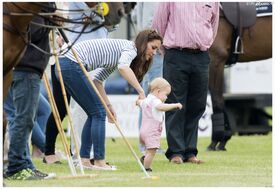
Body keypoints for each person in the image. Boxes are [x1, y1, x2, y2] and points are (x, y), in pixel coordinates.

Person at [56, 29, 162, 170]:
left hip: (65, 65)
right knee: (98, 113)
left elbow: (97, 81)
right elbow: (123, 67)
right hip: (70, 63)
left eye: (157, 49)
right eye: (153, 47)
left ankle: (85, 161)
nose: (154, 52)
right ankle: (100, 161)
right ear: (143, 43)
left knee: (94, 112)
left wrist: (108, 105)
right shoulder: (130, 48)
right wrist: (141, 91)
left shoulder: (117, 55)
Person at [152, 2, 219, 164]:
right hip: (176, 54)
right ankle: (176, 152)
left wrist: (205, 44)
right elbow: (158, 26)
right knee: (175, 104)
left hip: (201, 56)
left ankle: (190, 153)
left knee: (197, 105)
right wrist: (166, 52)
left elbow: (213, 26)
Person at [44, 2, 109, 164]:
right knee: (63, 108)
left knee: (90, 109)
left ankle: (87, 155)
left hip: (96, 55)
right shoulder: (70, 4)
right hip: (69, 57)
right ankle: (61, 153)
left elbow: (110, 19)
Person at [5, 3, 56, 180]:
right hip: (25, 68)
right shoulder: (30, 10)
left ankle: (25, 164)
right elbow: (29, 34)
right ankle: (16, 166)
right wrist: (49, 19)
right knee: (23, 118)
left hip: (28, 68)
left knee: (24, 118)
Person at [131, 2, 165, 154]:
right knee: (151, 99)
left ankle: (146, 143)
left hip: (149, 51)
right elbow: (150, 24)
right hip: (154, 53)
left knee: (148, 100)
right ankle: (148, 144)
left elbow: (134, 16)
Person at [136, 77, 182, 171]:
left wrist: (137, 102)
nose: (166, 97)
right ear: (158, 91)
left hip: (143, 132)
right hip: (151, 132)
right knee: (152, 152)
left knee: (148, 151)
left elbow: (139, 102)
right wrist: (175, 105)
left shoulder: (147, 100)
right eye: (166, 95)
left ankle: (144, 159)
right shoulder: (156, 101)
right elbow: (161, 107)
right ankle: (146, 168)